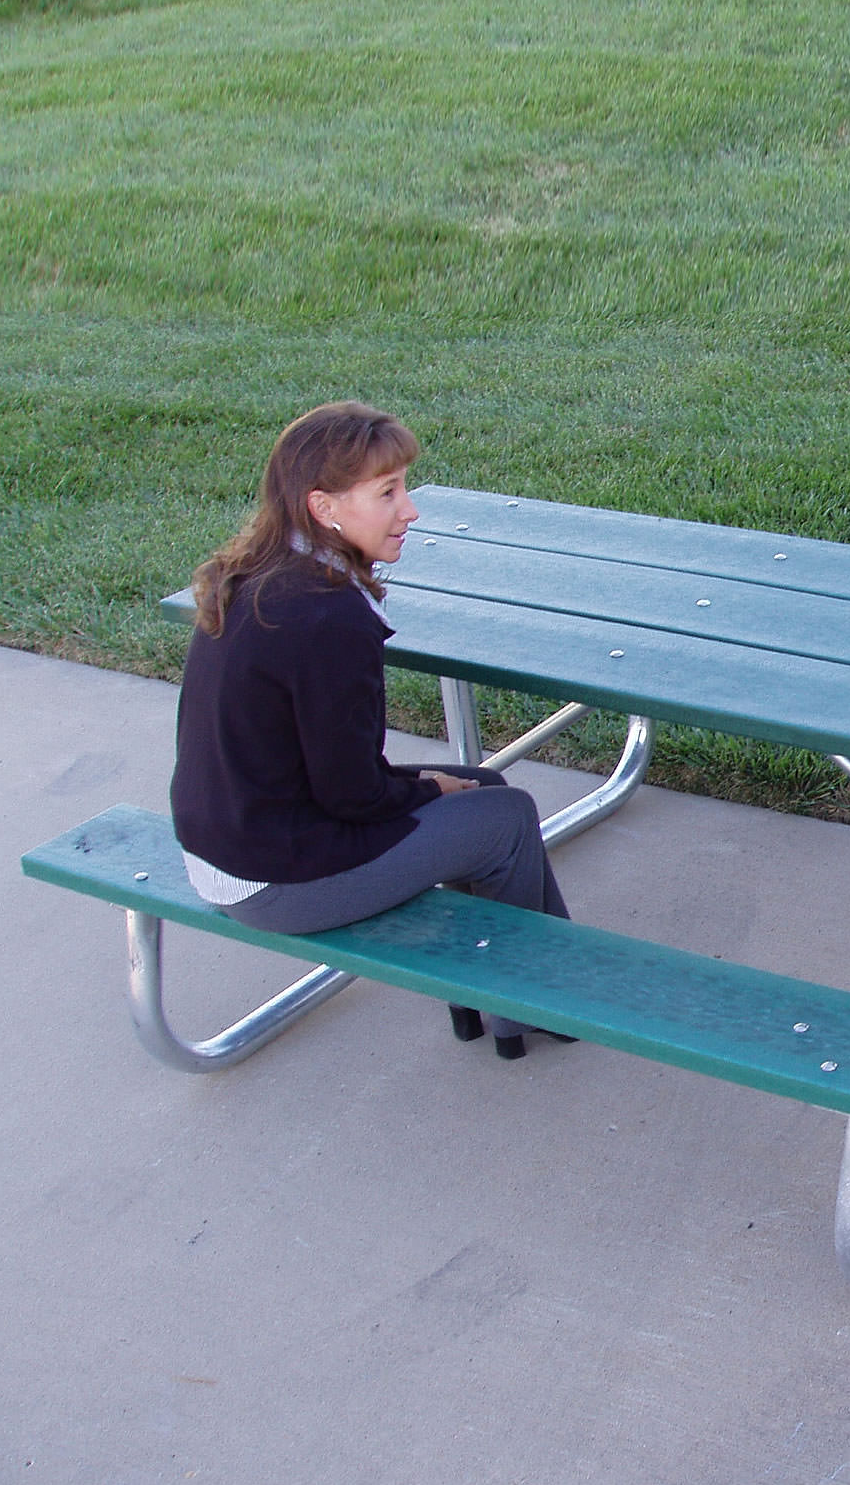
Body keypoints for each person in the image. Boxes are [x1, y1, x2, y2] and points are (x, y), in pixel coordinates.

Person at [170, 401, 571, 1059]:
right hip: (272, 878)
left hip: (231, 841)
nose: (409, 510)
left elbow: (329, 772)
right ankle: (529, 1003)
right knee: (506, 818)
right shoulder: (327, 616)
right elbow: (352, 794)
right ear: (324, 506)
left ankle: (490, 998)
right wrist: (429, 789)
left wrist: (436, 786)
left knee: (483, 785)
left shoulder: (260, 576)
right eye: (387, 492)